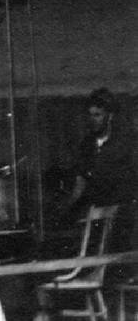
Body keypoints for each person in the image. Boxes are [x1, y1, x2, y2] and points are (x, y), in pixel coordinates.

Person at [61, 87, 136, 246]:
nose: (92, 119)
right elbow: (81, 183)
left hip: (123, 216)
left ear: (110, 116)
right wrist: (65, 211)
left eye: (97, 115)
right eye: (90, 114)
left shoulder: (126, 144)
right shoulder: (87, 145)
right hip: (95, 215)